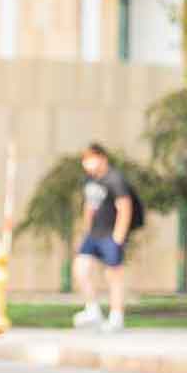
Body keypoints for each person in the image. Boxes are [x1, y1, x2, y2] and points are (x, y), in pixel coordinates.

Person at [74, 142, 135, 332]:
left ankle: (117, 316)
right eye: (85, 160)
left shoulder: (114, 179)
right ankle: (92, 310)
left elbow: (125, 206)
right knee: (81, 268)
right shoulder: (90, 181)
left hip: (110, 234)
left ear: (102, 158)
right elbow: (89, 206)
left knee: (113, 275)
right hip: (94, 234)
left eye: (91, 159)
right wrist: (86, 229)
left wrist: (119, 236)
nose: (87, 164)